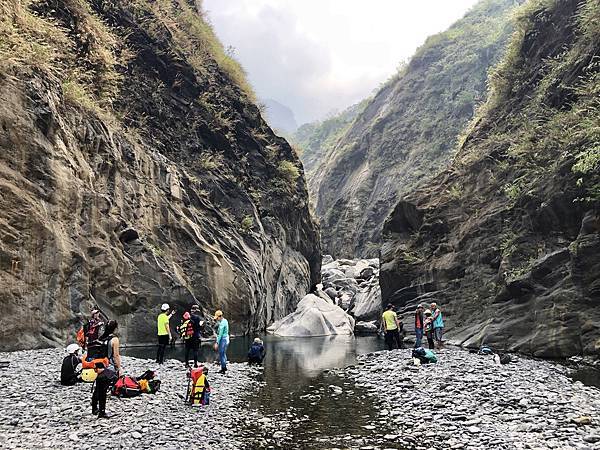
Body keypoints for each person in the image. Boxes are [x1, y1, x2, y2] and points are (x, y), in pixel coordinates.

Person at [92, 320, 121, 418]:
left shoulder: (101, 338)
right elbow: (116, 355)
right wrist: (118, 368)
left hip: (98, 365)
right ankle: (102, 412)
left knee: (99, 386)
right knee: (103, 389)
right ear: (115, 328)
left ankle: (94, 407)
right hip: (108, 366)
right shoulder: (114, 339)